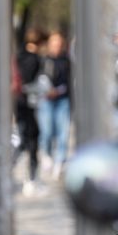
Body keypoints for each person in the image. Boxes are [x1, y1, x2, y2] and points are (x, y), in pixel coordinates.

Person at [37, 31, 72, 180]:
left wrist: (60, 91)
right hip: (46, 100)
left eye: (59, 44)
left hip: (63, 100)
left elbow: (71, 82)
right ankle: (46, 154)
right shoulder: (43, 60)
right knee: (47, 131)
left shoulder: (67, 61)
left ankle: (60, 162)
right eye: (54, 43)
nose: (56, 47)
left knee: (63, 133)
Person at [15, 28, 45, 193]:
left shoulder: (18, 56)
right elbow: (27, 81)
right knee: (30, 141)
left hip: (19, 103)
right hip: (28, 103)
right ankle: (31, 178)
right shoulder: (34, 59)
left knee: (23, 140)